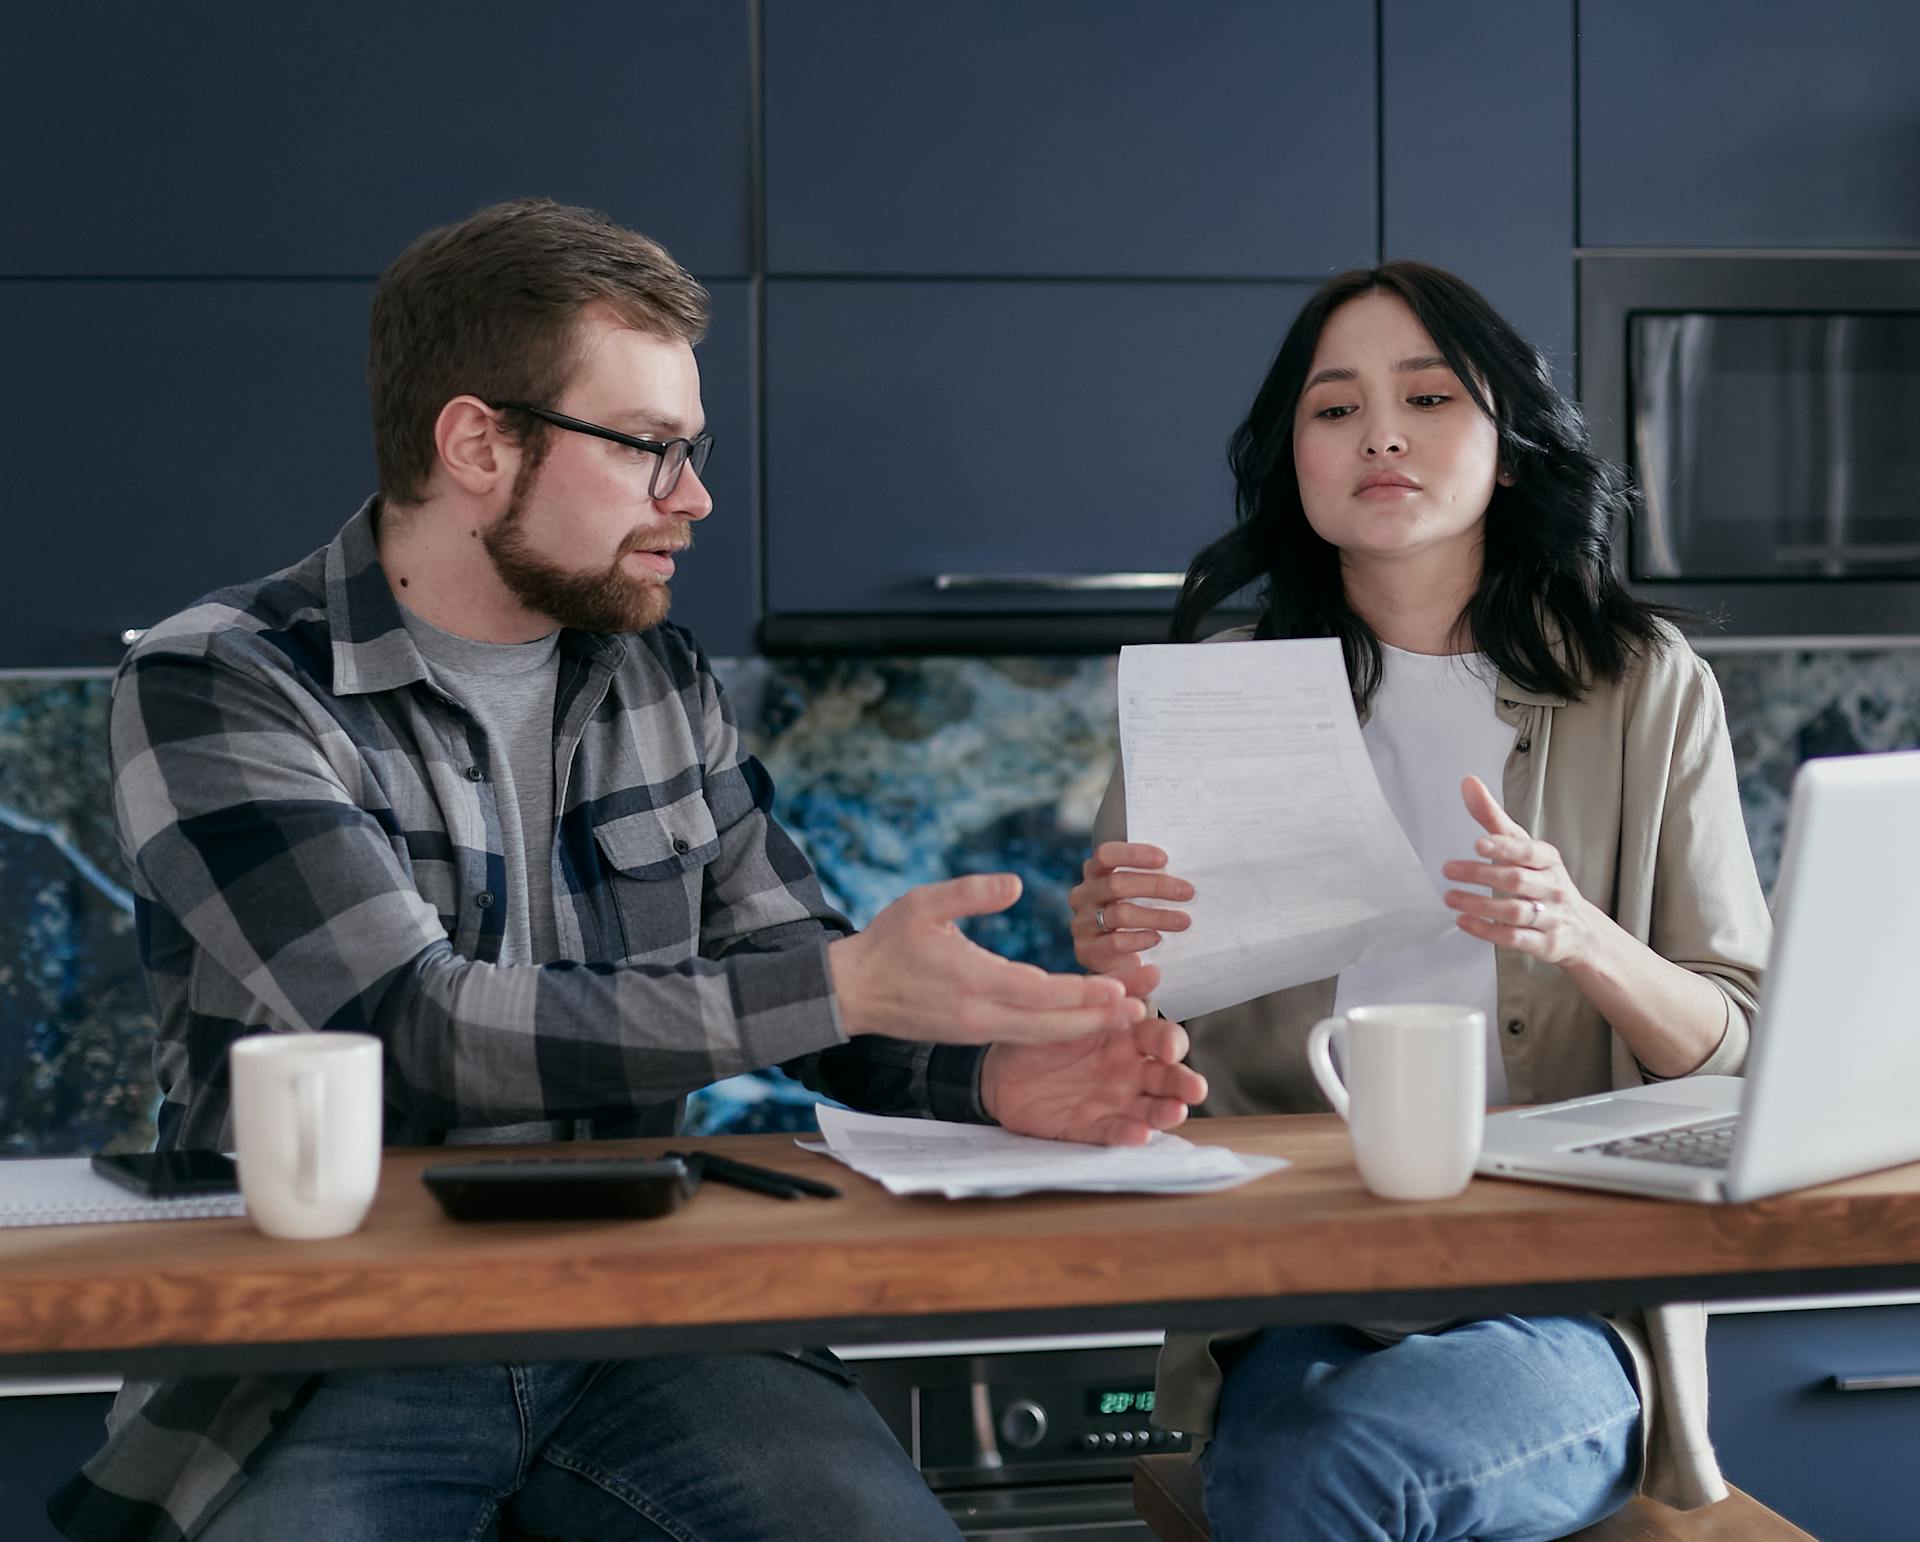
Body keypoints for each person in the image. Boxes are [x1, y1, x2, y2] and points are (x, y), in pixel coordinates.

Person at [51, 198, 1206, 1542]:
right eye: (651, 448)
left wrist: (995, 1078)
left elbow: (806, 977)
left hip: (655, 1316)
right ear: (479, 441)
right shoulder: (222, 681)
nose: (695, 497)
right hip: (334, 1342)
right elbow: (404, 1025)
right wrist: (844, 985)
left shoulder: (654, 670)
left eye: (693, 448)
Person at [1067, 262, 1772, 1541]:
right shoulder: (1215, 693)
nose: (1380, 433)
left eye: (1430, 396)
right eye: (1333, 410)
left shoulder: (1641, 686)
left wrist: (1584, 936)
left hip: (1565, 1295)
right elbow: (1135, 1053)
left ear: (1508, 447)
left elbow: (1742, 1045)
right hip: (1301, 1284)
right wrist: (1111, 965)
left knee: (1331, 1477)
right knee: (1296, 1468)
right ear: (1295, 464)